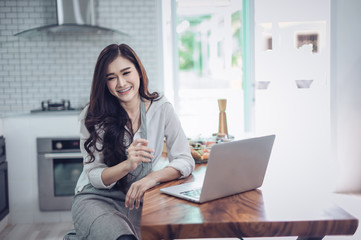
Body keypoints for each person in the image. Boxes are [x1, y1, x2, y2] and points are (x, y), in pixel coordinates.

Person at [69, 43, 195, 240]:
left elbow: (185, 160)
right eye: (111, 78)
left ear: (138, 71)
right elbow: (93, 174)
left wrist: (151, 178)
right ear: (104, 83)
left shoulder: (161, 108)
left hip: (138, 198)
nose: (121, 83)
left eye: (126, 72)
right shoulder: (92, 115)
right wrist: (127, 165)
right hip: (96, 198)